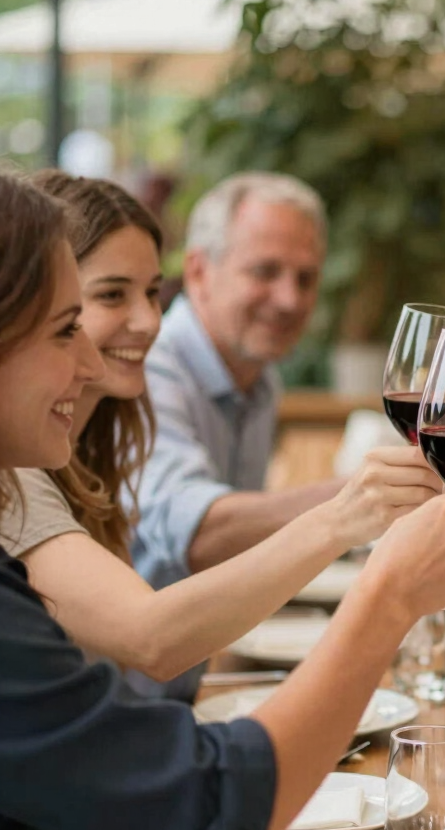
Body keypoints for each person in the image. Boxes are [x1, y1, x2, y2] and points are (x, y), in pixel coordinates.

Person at [0, 170, 445, 830]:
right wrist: (381, 579)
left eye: (150, 295)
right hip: (144, 801)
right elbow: (197, 766)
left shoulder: (80, 443)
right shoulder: (18, 490)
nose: (125, 340)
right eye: (76, 320)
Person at [0, 171, 441, 689]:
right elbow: (152, 634)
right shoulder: (20, 476)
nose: (149, 323)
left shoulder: (105, 429)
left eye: (150, 293)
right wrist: (351, 518)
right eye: (81, 315)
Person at [129, 172, 360, 698]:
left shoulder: (260, 378)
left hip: (186, 688)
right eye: (265, 271)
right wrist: (355, 497)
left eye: (306, 278)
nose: (289, 299)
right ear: (198, 271)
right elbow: (199, 535)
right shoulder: (147, 367)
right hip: (122, 716)